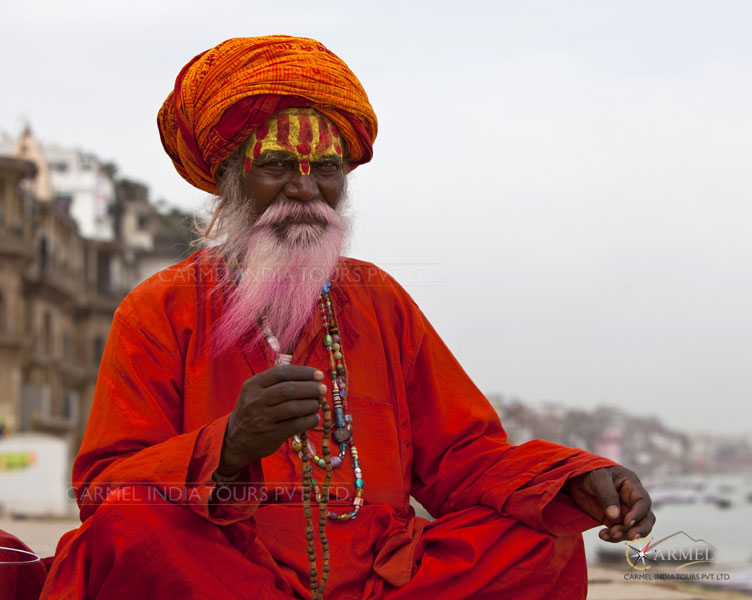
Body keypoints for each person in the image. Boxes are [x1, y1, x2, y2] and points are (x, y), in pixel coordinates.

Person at [40, 35, 654, 600]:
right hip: (230, 574)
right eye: (277, 164)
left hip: (382, 580)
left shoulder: (378, 299)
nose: (305, 189)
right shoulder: (160, 308)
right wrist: (225, 450)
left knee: (540, 539)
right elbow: (104, 490)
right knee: (128, 530)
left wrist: (574, 478)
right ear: (230, 178)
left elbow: (466, 457)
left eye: (327, 169)